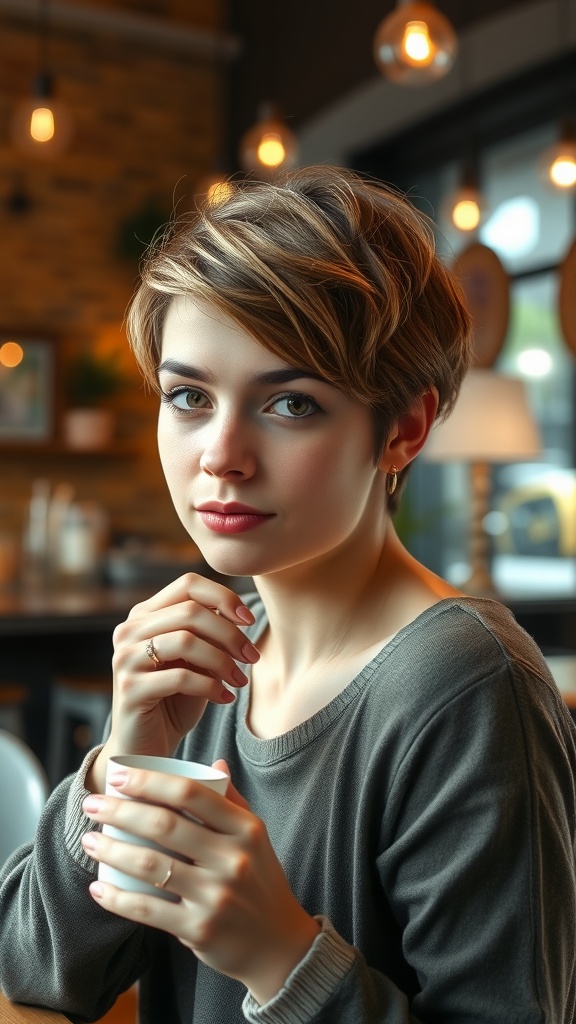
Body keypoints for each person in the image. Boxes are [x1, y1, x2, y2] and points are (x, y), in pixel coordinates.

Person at [1, 165, 575, 1024]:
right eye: (189, 396)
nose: (220, 455)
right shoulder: (215, 662)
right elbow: (33, 972)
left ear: (404, 428)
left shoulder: (463, 686)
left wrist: (281, 957)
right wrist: (120, 768)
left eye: (292, 404)